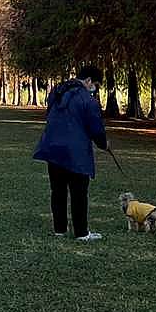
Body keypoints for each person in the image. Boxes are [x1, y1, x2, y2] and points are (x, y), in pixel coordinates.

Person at [33, 65, 109, 241]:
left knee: (57, 191)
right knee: (79, 193)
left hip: (53, 148)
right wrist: (104, 144)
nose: (95, 89)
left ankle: (59, 229)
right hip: (76, 152)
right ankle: (81, 233)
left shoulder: (57, 91)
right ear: (89, 81)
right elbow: (96, 129)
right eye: (95, 84)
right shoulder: (88, 101)